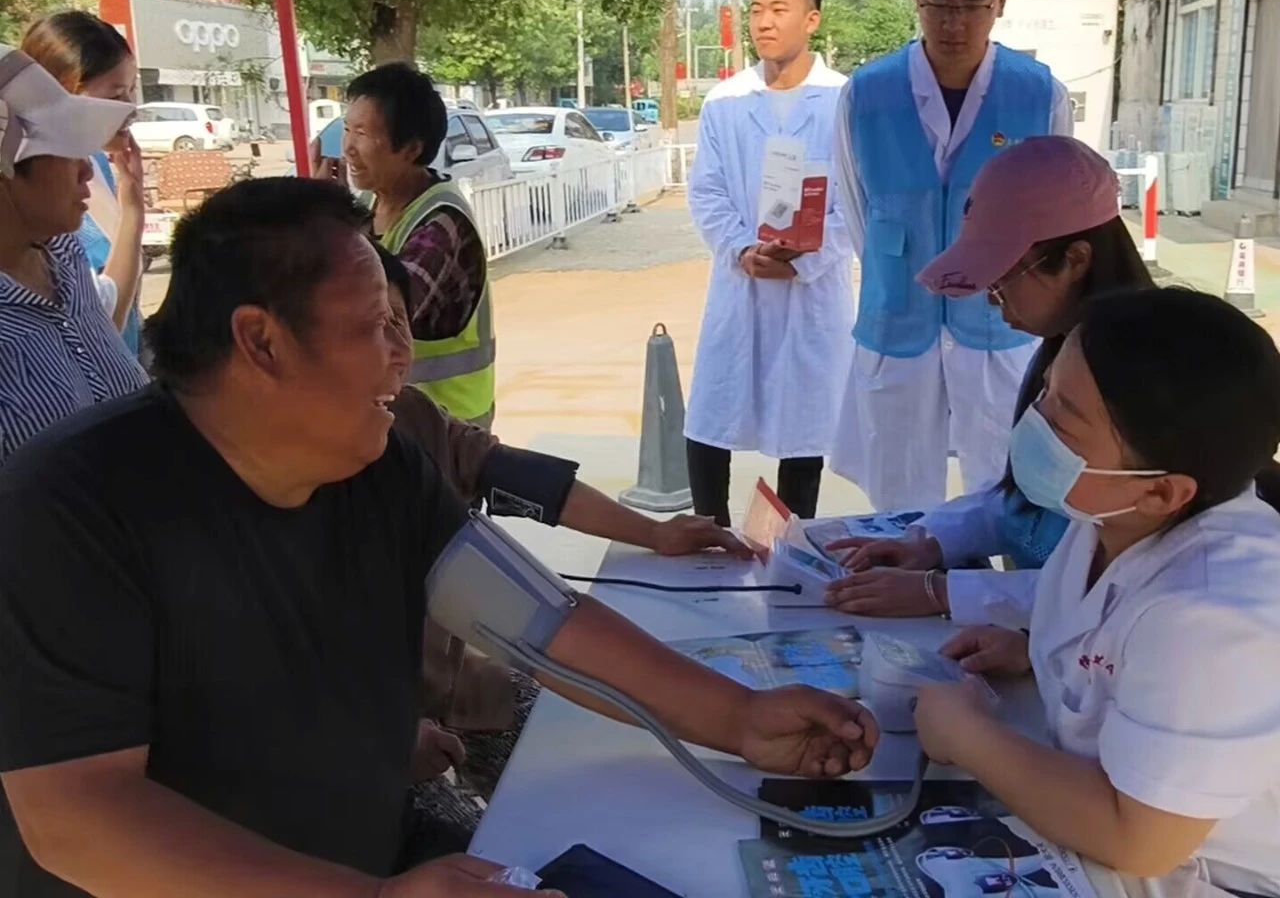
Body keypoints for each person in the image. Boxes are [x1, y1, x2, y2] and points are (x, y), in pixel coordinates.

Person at [0, 177, 880, 898]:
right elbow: (77, 819)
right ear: (260, 342)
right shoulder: (69, 509)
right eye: (375, 326)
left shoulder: (378, 466)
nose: (404, 354)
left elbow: (544, 624)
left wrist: (739, 717)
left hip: (368, 851)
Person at [378, 243, 752, 855]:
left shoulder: (409, 421)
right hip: (364, 751)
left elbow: (521, 493)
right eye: (363, 328)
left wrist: (653, 532)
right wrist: (375, 744)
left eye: (398, 322)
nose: (395, 351)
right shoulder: (247, 513)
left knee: (613, 783)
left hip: (462, 688)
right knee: (493, 858)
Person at [914, 287, 1280, 896]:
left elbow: (1139, 839)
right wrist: (1038, 654)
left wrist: (964, 735)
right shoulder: (1112, 517)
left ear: (1161, 491)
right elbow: (1115, 626)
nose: (1035, 423)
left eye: (1063, 420)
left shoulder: (1215, 615)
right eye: (1046, 392)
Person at [823, 137, 1154, 627]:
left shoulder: (1147, 380)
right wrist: (931, 542)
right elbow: (1028, 503)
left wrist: (943, 592)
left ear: (1075, 260)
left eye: (1001, 279)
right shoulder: (1064, 350)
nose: (992, 300)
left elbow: (1118, 590)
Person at [828, 0, 1075, 512]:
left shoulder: (1039, 95)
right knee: (898, 497)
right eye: (938, 5)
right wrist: (900, 273)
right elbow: (859, 208)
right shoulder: (866, 94)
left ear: (1001, 1)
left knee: (1012, 490)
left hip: (999, 320)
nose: (953, 25)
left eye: (972, 6)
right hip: (899, 318)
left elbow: (1058, 212)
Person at [685, 0, 854, 525]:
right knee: (712, 415)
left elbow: (860, 204)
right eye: (756, 9)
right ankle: (711, 537)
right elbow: (706, 191)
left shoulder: (846, 102)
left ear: (812, 19)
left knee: (802, 431)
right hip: (741, 283)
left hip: (811, 292)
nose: (764, 22)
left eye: (779, 9)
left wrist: (807, 261)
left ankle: (787, 546)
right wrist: (741, 248)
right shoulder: (725, 101)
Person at [312, 62, 495, 428]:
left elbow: (368, 316)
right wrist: (330, 214)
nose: (348, 148)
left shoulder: (442, 226)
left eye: (363, 133)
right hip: (393, 423)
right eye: (347, 129)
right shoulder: (368, 204)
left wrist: (327, 220)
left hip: (446, 430)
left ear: (411, 148)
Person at [0, 44, 147, 466]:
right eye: (66, 151)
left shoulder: (62, 253)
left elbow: (102, 322)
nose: (86, 169)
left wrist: (133, 212)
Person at [21, 12, 147, 355]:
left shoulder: (103, 167)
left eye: (131, 92)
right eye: (115, 97)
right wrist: (133, 213)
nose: (130, 110)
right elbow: (100, 321)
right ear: (64, 94)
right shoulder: (38, 201)